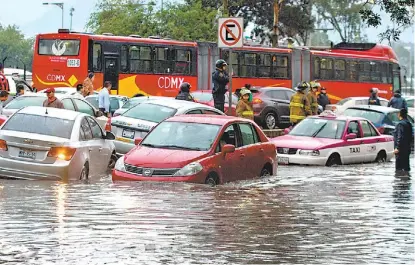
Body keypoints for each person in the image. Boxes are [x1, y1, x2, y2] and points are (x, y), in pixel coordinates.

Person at [394, 108, 413, 173]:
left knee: (399, 169)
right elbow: (411, 137)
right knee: (406, 167)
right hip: (407, 148)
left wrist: (397, 148)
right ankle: (406, 181)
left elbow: (400, 137)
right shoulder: (409, 123)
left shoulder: (400, 124)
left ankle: (400, 182)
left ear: (400, 114)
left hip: (400, 150)